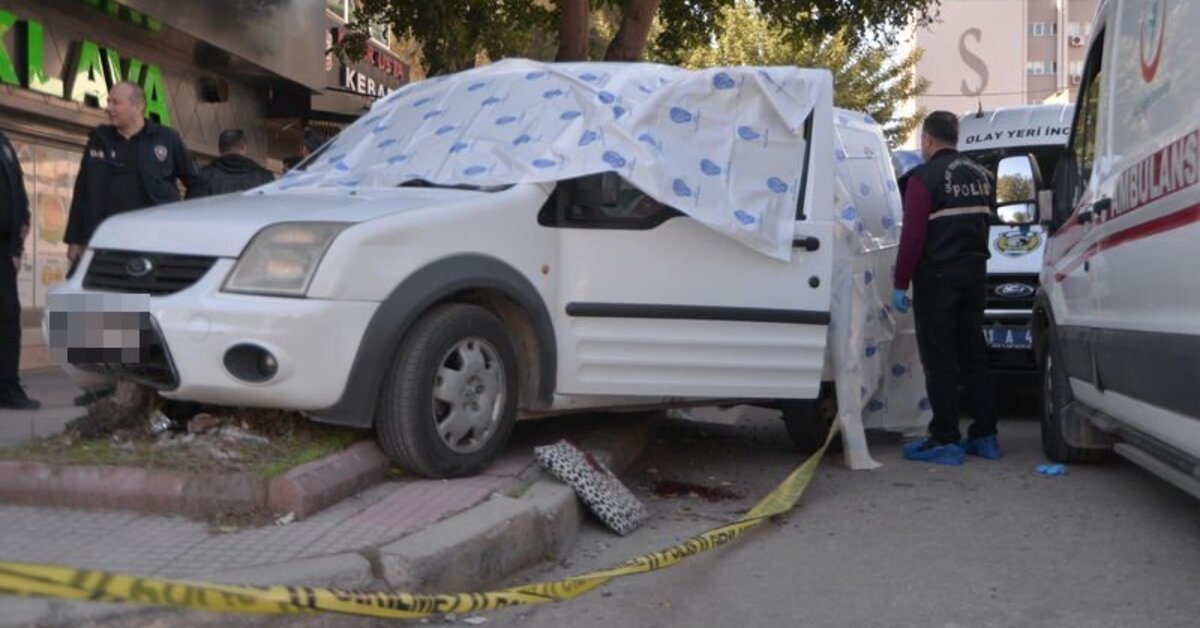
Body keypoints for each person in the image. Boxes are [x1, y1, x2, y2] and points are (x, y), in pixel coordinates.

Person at [64, 80, 200, 406]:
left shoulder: (166, 139)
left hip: (153, 244)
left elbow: (194, 181)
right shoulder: (99, 139)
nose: (109, 107)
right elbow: (82, 190)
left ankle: (154, 387)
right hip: (105, 241)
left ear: (137, 106)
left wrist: (187, 225)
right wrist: (75, 239)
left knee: (147, 312)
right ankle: (102, 388)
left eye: (115, 102)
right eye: (108, 101)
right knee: (100, 311)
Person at [892, 111, 999, 465]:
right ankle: (985, 435)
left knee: (939, 360)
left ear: (927, 140)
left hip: (938, 278)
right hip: (975, 274)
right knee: (973, 354)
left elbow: (913, 237)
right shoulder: (983, 176)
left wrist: (900, 282)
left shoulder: (923, 179)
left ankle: (945, 439)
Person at [0, 130, 39, 410]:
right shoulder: (102, 141)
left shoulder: (3, 142)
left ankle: (7, 387)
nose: (110, 108)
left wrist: (18, 237)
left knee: (8, 319)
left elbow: (17, 188)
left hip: (4, 250)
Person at [186, 129, 274, 199]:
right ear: (244, 148)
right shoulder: (265, 177)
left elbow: (191, 211)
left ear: (219, 149)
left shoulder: (203, 176)